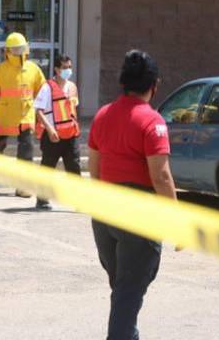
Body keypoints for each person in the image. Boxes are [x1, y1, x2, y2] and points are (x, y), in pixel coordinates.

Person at [87, 50, 178, 340]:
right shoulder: (153, 122)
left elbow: (94, 170)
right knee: (128, 292)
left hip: (104, 213)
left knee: (123, 291)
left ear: (123, 83)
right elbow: (161, 177)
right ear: (155, 85)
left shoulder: (102, 116)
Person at [0, 32, 46, 197]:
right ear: (7, 51)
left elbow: (43, 91)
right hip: (6, 117)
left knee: (26, 151)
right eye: (15, 49)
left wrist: (43, 113)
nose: (18, 52)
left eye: (20, 49)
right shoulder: (0, 71)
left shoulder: (33, 69)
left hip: (26, 117)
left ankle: (23, 186)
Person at [33, 55, 81, 210]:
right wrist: (49, 128)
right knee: (47, 167)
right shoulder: (47, 87)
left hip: (71, 135)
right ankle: (42, 199)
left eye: (70, 67)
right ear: (57, 69)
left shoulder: (72, 87)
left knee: (74, 168)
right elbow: (38, 111)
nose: (68, 70)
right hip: (53, 136)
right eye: (65, 68)